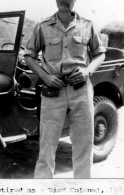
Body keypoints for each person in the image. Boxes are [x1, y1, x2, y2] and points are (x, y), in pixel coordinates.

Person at [24, 0, 106, 178]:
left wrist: (87, 71)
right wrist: (45, 76)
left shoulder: (87, 25)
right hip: (53, 92)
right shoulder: (43, 26)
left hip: (81, 91)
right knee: (47, 148)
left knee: (84, 146)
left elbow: (100, 53)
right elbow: (29, 56)